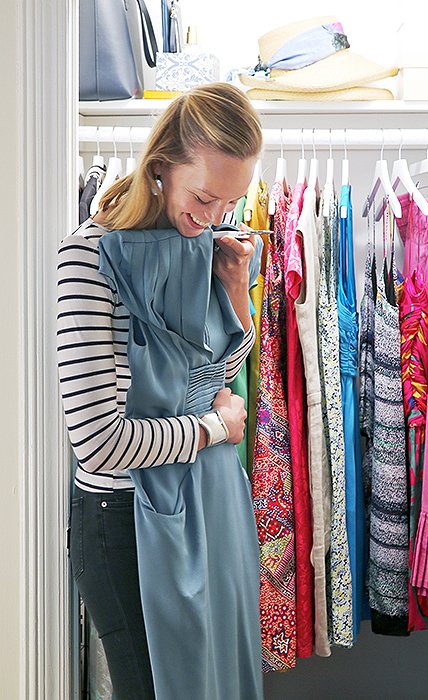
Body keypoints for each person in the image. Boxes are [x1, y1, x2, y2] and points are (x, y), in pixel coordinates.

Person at [58, 83, 264, 699]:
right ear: (162, 164)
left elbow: (211, 377)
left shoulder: (198, 244)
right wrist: (211, 430)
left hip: (198, 506)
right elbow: (99, 444)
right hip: (122, 524)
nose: (210, 216)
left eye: (229, 201)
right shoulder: (88, 259)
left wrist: (234, 290)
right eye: (203, 196)